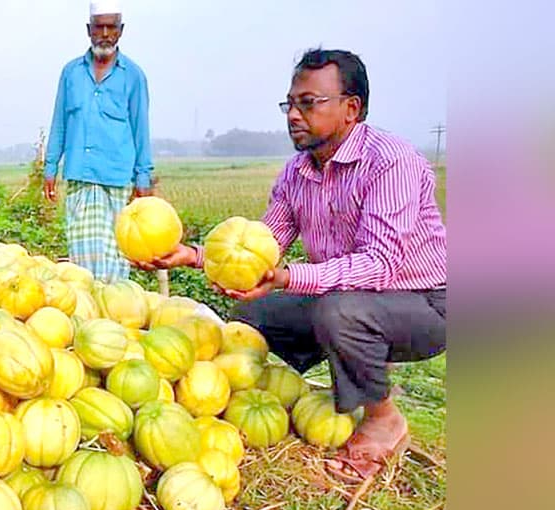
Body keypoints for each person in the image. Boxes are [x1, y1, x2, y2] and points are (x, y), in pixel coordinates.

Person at [137, 48, 447, 483]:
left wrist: (289, 277)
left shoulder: (391, 162)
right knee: (253, 315)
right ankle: (273, 397)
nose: (294, 115)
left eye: (309, 103)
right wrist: (195, 256)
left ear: (350, 108)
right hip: (349, 301)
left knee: (338, 310)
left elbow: (378, 265)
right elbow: (264, 246)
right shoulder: (297, 173)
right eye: (290, 104)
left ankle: (384, 417)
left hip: (425, 304)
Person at [42, 0, 154, 283]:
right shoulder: (71, 73)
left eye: (111, 27)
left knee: (116, 257)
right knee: (82, 263)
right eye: (99, 27)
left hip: (117, 180)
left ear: (121, 30)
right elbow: (60, 122)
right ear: (88, 30)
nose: (105, 34)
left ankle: (113, 318)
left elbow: (141, 128)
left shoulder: (134, 76)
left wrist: (143, 180)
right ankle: (89, 316)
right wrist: (51, 166)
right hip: (80, 177)